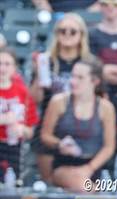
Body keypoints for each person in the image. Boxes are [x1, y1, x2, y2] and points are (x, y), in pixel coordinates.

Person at [30, 13, 91, 182]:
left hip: (81, 127)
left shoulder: (88, 63)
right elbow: (34, 99)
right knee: (50, 182)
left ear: (81, 35)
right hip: (49, 127)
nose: (67, 35)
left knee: (77, 182)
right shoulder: (46, 61)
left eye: (73, 31)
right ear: (56, 34)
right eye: (62, 31)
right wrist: (38, 74)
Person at [41, 58, 116, 192]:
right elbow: (45, 136)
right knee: (82, 186)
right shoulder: (59, 101)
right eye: (73, 76)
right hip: (64, 164)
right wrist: (59, 144)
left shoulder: (105, 107)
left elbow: (109, 147)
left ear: (95, 81)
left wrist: (89, 168)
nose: (73, 81)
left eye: (80, 78)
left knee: (86, 184)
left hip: (92, 165)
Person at [0, 48, 38, 183]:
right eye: (0, 63)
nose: (2, 68)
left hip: (14, 148)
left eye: (7, 64)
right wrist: (4, 119)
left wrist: (22, 130)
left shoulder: (23, 92)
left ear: (15, 68)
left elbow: (30, 130)